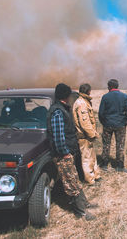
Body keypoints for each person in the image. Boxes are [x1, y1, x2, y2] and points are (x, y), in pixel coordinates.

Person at [47, 83, 96, 220]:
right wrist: (65, 153)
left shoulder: (62, 109)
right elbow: (58, 137)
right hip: (63, 155)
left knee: (74, 179)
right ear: (66, 96)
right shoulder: (57, 111)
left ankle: (84, 204)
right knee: (71, 183)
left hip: (68, 152)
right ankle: (81, 212)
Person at [98, 79, 127, 172]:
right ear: (117, 86)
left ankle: (104, 164)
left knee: (106, 144)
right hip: (120, 124)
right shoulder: (124, 96)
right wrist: (125, 122)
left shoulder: (105, 97)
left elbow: (101, 113)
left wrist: (104, 122)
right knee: (120, 145)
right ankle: (120, 166)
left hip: (107, 124)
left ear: (109, 87)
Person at [73, 83, 101, 185]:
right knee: (86, 159)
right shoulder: (81, 103)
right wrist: (92, 134)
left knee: (92, 157)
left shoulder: (84, 101)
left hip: (87, 136)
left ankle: (96, 175)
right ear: (88, 91)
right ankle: (90, 180)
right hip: (84, 136)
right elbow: (85, 123)